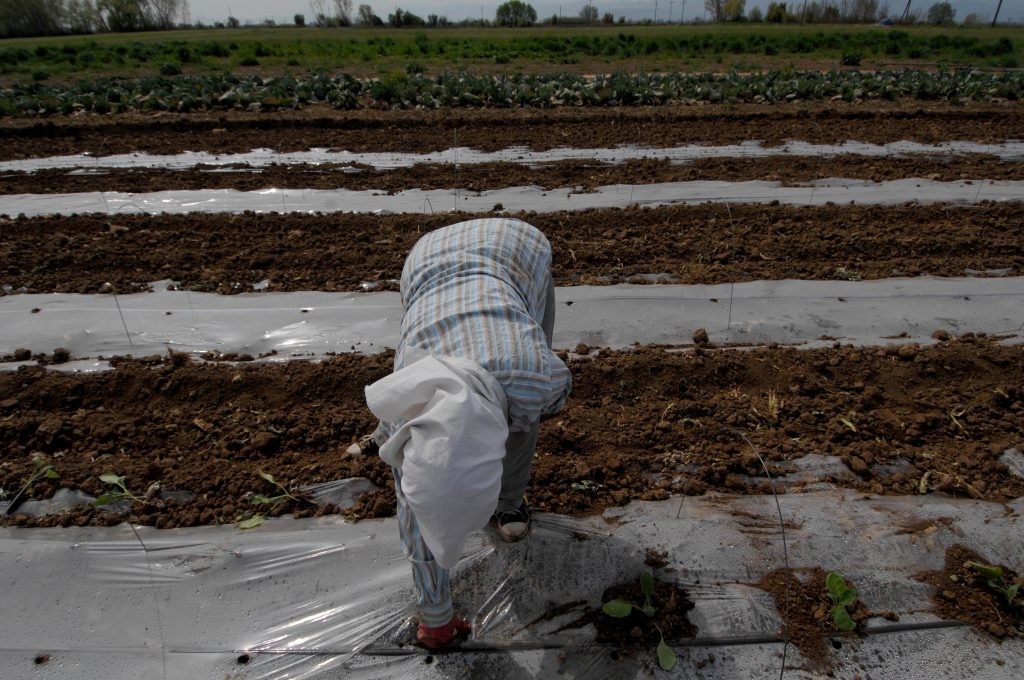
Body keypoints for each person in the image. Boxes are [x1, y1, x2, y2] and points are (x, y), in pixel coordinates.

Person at [355, 218, 572, 649]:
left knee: (524, 422)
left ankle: (508, 505)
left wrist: (528, 410)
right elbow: (414, 516)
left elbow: (559, 390)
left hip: (517, 249)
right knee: (513, 412)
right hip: (427, 262)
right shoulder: (405, 411)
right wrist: (434, 618)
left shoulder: (532, 378)